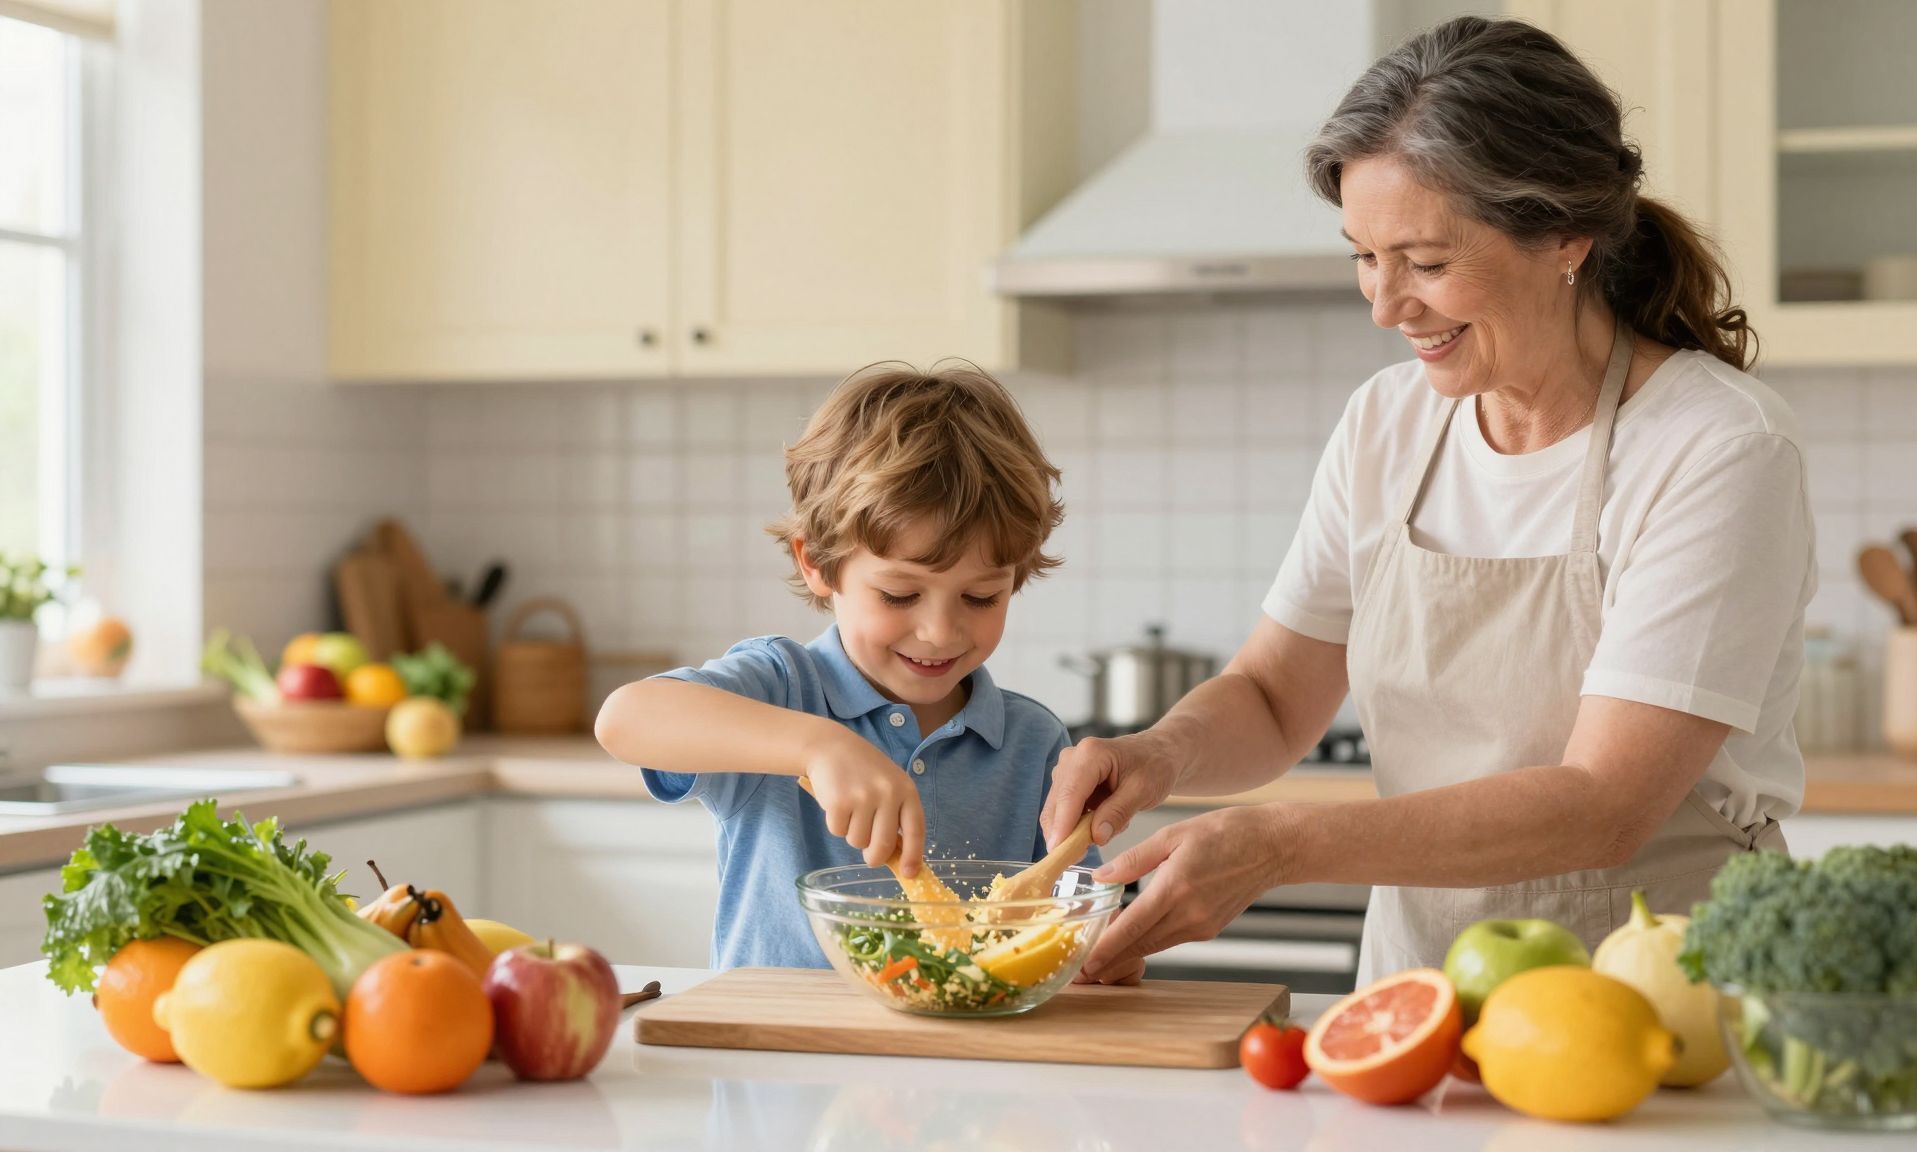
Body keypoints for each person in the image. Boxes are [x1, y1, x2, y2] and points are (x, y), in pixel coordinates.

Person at [1045, 16, 1815, 986]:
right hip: (1417, 995)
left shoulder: (1717, 446)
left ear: (1566, 235)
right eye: (1364, 256)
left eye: (1427, 262)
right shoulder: (1386, 421)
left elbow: (1604, 805)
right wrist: (1160, 753)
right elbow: (1275, 697)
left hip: (1659, 1005)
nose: (1384, 305)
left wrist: (1280, 844)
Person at [595, 362, 1088, 969]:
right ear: (817, 564)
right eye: (900, 595)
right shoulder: (779, 691)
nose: (940, 631)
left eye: (981, 597)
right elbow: (625, 718)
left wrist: (1099, 957)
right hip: (774, 1034)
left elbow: (1069, 927)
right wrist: (817, 747)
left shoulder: (1035, 744)